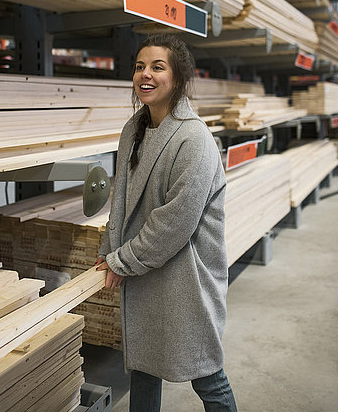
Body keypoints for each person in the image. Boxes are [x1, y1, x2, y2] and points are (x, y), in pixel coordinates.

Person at [95, 34, 237, 412]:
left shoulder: (194, 138)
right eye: (140, 66)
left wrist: (123, 261)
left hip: (185, 278)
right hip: (148, 274)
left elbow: (174, 222)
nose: (146, 74)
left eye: (158, 67)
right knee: (143, 365)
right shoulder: (134, 129)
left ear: (178, 77)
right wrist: (110, 249)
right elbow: (121, 198)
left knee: (207, 372)